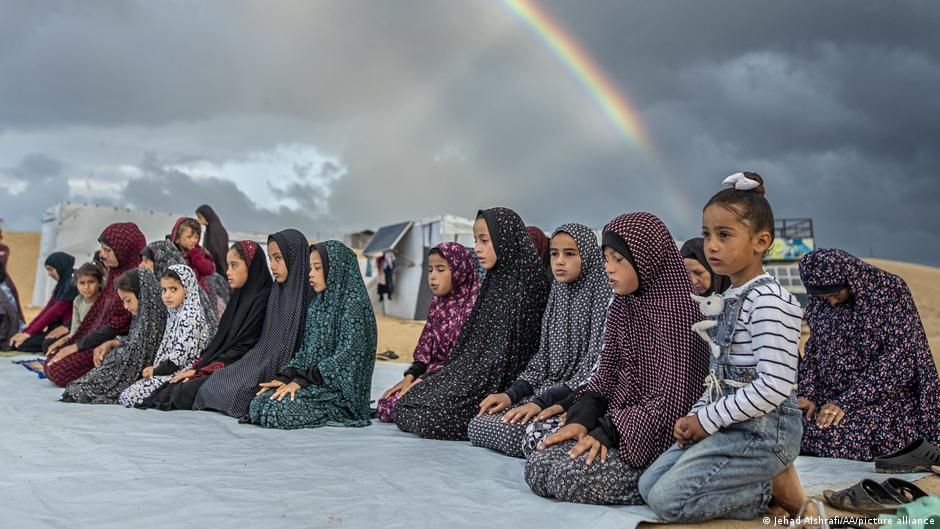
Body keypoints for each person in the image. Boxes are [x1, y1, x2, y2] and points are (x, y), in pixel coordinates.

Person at [639, 172, 807, 522]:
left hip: (766, 432)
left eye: (724, 235)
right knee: (648, 485)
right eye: (707, 234)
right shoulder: (730, 297)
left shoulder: (769, 301)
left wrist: (706, 420)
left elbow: (774, 387)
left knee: (668, 502)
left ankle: (771, 488)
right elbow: (721, 376)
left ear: (762, 241)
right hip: (730, 423)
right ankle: (765, 482)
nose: (711, 245)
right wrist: (697, 413)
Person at [523, 213, 709, 504]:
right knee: (539, 463)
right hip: (618, 423)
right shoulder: (624, 305)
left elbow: (671, 401)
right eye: (605, 258)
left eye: (618, 259)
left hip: (653, 438)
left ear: (646, 258)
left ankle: (662, 480)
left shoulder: (680, 312)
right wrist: (582, 419)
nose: (608, 268)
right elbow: (606, 375)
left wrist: (607, 433)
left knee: (564, 476)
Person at [395, 207, 551, 440]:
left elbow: (508, 359)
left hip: (496, 385)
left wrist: (462, 383)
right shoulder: (494, 282)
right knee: (405, 404)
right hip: (470, 376)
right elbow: (467, 349)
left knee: (425, 417)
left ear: (504, 239)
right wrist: (436, 378)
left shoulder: (529, 288)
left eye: (484, 241)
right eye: (476, 240)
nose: (477, 247)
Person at [468, 223, 611, 458]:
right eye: (554, 254)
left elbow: (593, 368)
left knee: (521, 434)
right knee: (478, 424)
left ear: (587, 255)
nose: (559, 261)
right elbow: (542, 359)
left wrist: (542, 402)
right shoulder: (558, 291)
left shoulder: (601, 293)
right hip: (546, 390)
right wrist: (512, 395)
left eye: (569, 254)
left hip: (574, 397)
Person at [798, 248, 940, 461]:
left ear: (851, 279)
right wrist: (807, 393)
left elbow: (900, 361)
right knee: (790, 426)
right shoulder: (821, 300)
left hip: (881, 400)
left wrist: (846, 402)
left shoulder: (890, 292)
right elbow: (813, 350)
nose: (832, 302)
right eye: (823, 297)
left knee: (835, 437)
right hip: (830, 399)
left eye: (836, 294)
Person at [248, 241, 377, 429]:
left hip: (340, 396)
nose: (311, 274)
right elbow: (305, 352)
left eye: (317, 268)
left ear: (337, 269)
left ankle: (335, 415)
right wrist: (286, 376)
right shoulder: (317, 305)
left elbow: (347, 358)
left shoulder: (354, 306)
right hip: (315, 385)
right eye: (310, 268)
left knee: (278, 411)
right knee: (258, 403)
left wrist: (301, 381)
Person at [192, 229, 313, 419]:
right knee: (217, 382)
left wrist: (287, 375)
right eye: (271, 258)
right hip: (262, 361)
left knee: (245, 393)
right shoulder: (277, 292)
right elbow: (266, 344)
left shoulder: (308, 297)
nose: (272, 266)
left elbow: (307, 348)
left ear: (295, 257)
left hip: (292, 372)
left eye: (278, 258)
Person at [138, 241, 272, 411]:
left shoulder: (262, 298)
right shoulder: (239, 296)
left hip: (241, 365)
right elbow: (221, 342)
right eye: (228, 265)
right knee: (170, 388)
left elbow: (245, 347)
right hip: (224, 361)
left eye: (234, 265)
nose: (228, 272)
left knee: (183, 390)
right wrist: (199, 367)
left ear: (251, 266)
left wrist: (205, 370)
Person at [377, 242, 479, 423]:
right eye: (430, 270)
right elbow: (426, 347)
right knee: (386, 404)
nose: (432, 277)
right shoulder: (438, 304)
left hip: (455, 379)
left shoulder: (475, 306)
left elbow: (465, 361)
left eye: (440, 269)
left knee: (417, 411)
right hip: (430, 376)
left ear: (459, 269)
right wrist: (410, 377)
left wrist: (426, 380)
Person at [44, 222, 146, 387]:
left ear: (124, 250)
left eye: (107, 250)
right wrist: (72, 340)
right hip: (98, 339)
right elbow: (98, 314)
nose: (102, 254)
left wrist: (77, 346)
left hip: (116, 343)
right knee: (52, 356)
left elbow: (117, 326)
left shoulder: (135, 280)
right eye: (101, 248)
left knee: (57, 370)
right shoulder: (114, 273)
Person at [62, 268, 167, 404]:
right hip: (126, 361)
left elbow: (138, 356)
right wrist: (113, 342)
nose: (125, 306)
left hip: (148, 372)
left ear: (142, 295)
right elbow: (134, 339)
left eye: (128, 300)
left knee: (84, 385)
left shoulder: (156, 318)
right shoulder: (142, 314)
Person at [119, 265, 212, 407]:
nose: (167, 295)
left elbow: (179, 359)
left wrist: (155, 371)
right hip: (168, 372)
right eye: (164, 290)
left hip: (181, 374)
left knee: (130, 397)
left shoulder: (190, 316)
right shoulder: (175, 312)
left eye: (173, 289)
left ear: (187, 288)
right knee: (128, 394)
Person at [8, 252, 77, 352]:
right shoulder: (62, 284)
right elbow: (47, 310)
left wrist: (30, 333)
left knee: (23, 345)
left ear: (61, 267)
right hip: (54, 328)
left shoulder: (71, 285)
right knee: (17, 343)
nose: (49, 274)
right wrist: (27, 331)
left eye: (51, 269)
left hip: (66, 330)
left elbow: (55, 311)